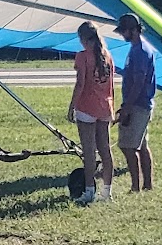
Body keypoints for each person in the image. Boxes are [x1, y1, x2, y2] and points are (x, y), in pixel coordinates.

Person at [67, 20, 115, 205]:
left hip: (87, 105)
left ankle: (89, 190)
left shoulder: (83, 56)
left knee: (89, 150)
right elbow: (111, 86)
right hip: (105, 105)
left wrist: (72, 106)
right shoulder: (107, 56)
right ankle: (107, 190)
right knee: (105, 148)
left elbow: (81, 83)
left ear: (83, 38)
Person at [114, 12, 156, 192]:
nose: (123, 35)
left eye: (124, 31)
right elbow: (132, 74)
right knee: (142, 146)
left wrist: (127, 107)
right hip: (143, 104)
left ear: (133, 30)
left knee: (127, 146)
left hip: (137, 105)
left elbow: (139, 80)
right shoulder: (137, 49)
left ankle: (135, 186)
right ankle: (147, 185)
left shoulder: (140, 51)